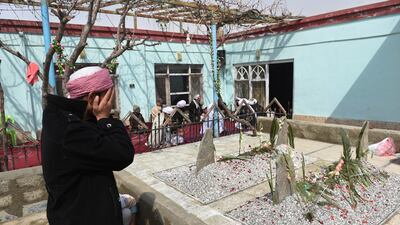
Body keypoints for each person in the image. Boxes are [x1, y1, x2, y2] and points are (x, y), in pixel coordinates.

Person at [41, 66, 134, 225]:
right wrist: (105, 118)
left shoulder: (64, 118)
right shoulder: (70, 129)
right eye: (109, 96)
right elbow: (122, 155)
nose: (110, 102)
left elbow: (98, 143)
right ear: (92, 98)